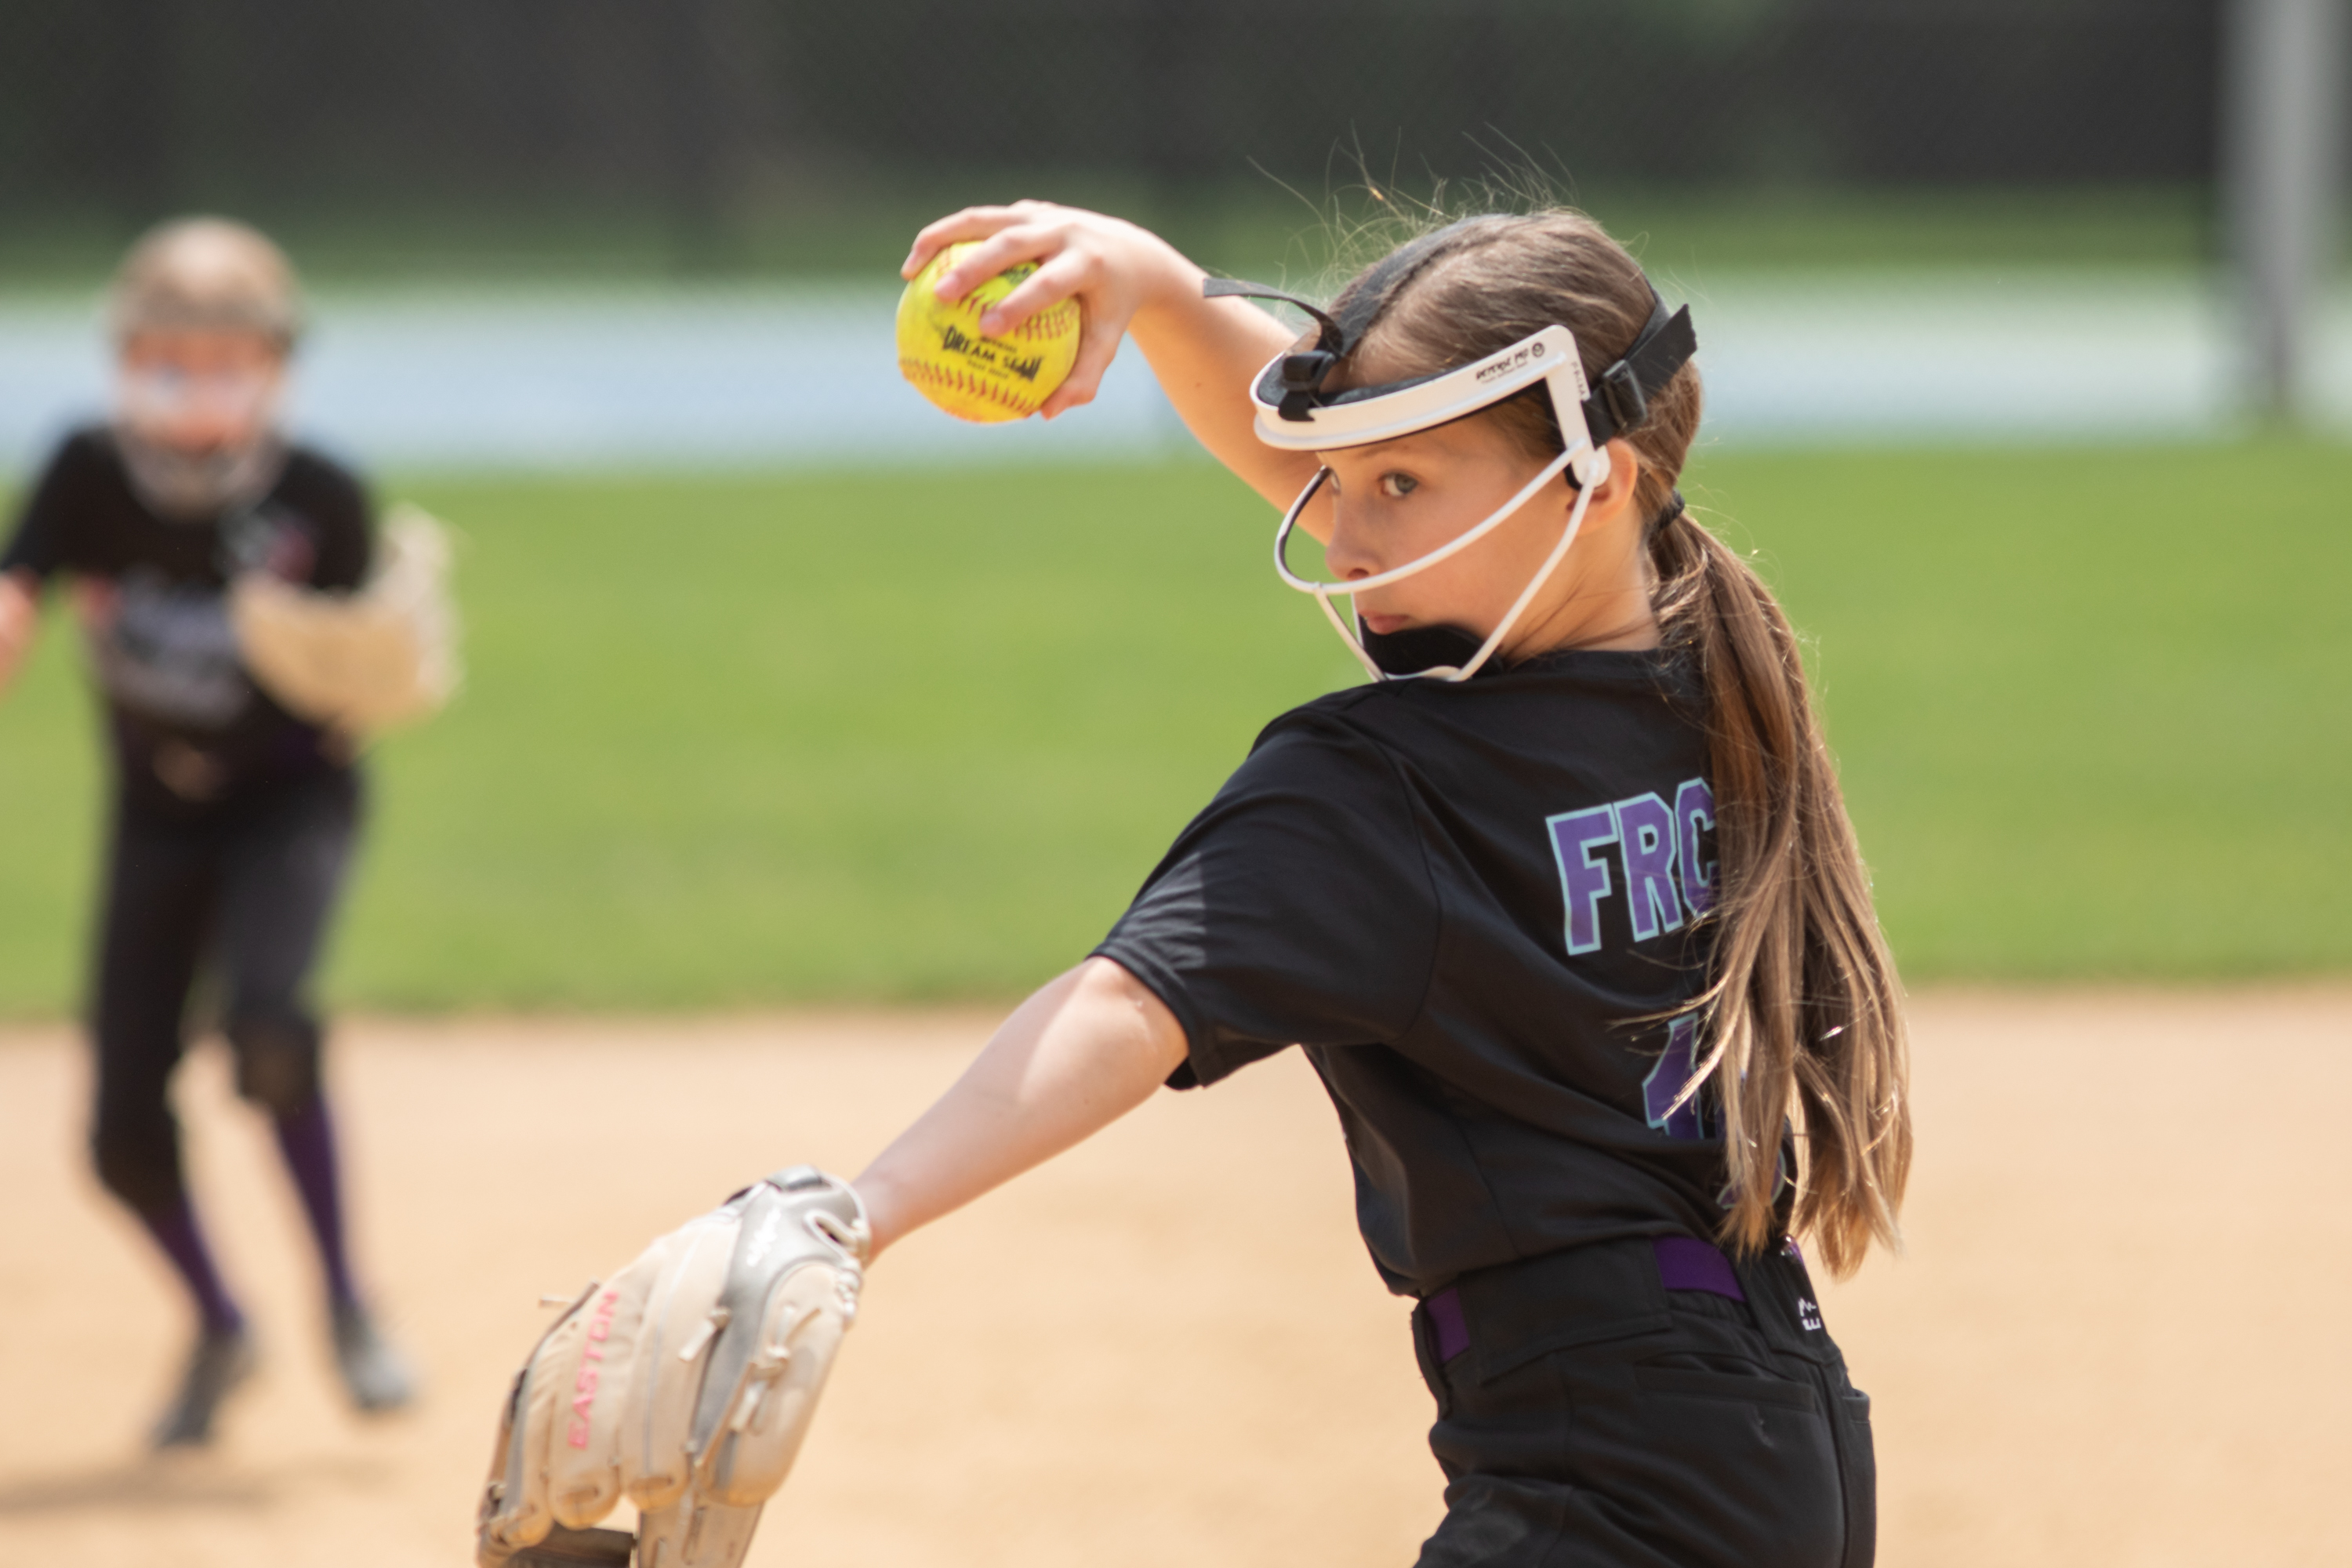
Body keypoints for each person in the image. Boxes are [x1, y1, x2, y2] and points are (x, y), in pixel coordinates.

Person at [485, 197, 1913, 1568]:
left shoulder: (1388, 786)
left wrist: (857, 1211)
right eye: (1333, 481)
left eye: (1398, 487)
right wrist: (1166, 293)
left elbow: (1132, 1004)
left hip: (1608, 1475)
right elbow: (1424, 481)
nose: (1342, 538)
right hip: (1764, 1436)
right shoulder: (1703, 672)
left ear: (1594, 483)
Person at [0, 216, 417, 1449]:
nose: (194, 383)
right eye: (166, 355)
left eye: (227, 357)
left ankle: (347, 1304)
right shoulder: (87, 471)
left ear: (276, 365)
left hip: (286, 800)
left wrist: (375, 669)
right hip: (157, 814)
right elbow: (21, 578)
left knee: (270, 1032)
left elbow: (361, 677)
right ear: (125, 355)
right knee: (122, 1134)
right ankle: (221, 1324)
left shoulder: (316, 496)